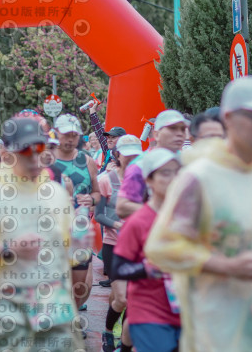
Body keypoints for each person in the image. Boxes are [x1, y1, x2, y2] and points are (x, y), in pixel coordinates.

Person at [145, 76, 252, 352]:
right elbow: (161, 246)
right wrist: (226, 265)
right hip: (220, 328)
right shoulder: (199, 177)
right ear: (229, 119)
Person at [0, 116, 85, 351]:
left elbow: (69, 253)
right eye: (26, 150)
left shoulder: (56, 195)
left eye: (40, 148)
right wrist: (6, 250)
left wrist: (80, 242)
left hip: (51, 311)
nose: (34, 157)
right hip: (3, 314)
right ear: (7, 153)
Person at [111, 149, 182, 352]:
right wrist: (149, 268)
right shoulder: (138, 221)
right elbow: (118, 269)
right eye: (165, 173)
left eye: (177, 173)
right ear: (149, 180)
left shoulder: (187, 219)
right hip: (149, 312)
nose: (173, 179)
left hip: (185, 310)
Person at [95, 135, 142, 352]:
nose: (131, 159)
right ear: (117, 155)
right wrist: (118, 225)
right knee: (122, 298)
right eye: (127, 154)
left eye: (136, 155)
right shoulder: (106, 180)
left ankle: (124, 343)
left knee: (133, 299)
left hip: (138, 246)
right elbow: (98, 215)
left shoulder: (146, 181)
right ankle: (107, 331)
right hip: (113, 244)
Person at [52, 113, 101, 312]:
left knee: (82, 285)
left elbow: (97, 193)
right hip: (52, 229)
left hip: (79, 229)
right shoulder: (46, 160)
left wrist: (91, 199)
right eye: (66, 134)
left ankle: (73, 314)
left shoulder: (86, 160)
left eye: (75, 135)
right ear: (56, 133)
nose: (71, 139)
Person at [116, 109, 188, 219]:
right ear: (156, 134)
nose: (179, 133)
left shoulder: (189, 162)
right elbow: (122, 207)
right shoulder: (140, 166)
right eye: (172, 128)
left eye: (183, 129)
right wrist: (163, 214)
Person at [88, 102, 126, 172]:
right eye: (108, 137)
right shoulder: (109, 151)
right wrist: (92, 111)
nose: (109, 140)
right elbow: (99, 131)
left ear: (122, 139)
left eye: (113, 137)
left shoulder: (127, 156)